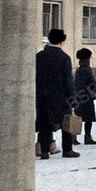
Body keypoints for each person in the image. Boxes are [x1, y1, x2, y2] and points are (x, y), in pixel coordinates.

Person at [36, 29, 78, 159]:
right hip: (61, 97)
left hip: (42, 95)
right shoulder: (64, 58)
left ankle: (44, 151)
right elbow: (68, 80)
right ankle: (67, 149)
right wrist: (72, 97)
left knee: (44, 122)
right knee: (65, 122)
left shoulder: (39, 56)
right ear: (62, 41)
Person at [74, 48, 96, 145]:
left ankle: (74, 137)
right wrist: (95, 88)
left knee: (77, 118)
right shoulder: (87, 70)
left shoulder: (78, 70)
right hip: (87, 98)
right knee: (88, 119)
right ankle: (87, 137)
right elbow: (92, 84)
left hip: (78, 97)